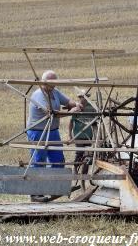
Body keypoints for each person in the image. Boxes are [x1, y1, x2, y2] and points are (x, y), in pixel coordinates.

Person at [27, 70, 80, 202]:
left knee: (58, 160)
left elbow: (68, 101)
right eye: (51, 84)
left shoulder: (54, 92)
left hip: (53, 131)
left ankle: (54, 188)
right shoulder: (39, 95)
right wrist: (71, 112)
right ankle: (35, 193)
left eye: (55, 83)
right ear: (44, 83)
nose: (54, 86)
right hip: (38, 131)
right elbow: (52, 113)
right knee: (39, 161)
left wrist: (76, 104)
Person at [68, 91, 97, 163]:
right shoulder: (76, 108)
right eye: (81, 97)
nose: (83, 99)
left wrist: (96, 136)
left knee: (88, 155)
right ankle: (75, 168)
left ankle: (85, 172)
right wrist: (70, 134)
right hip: (78, 134)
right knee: (79, 153)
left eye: (84, 97)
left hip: (89, 134)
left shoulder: (92, 107)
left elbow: (95, 122)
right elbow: (71, 122)